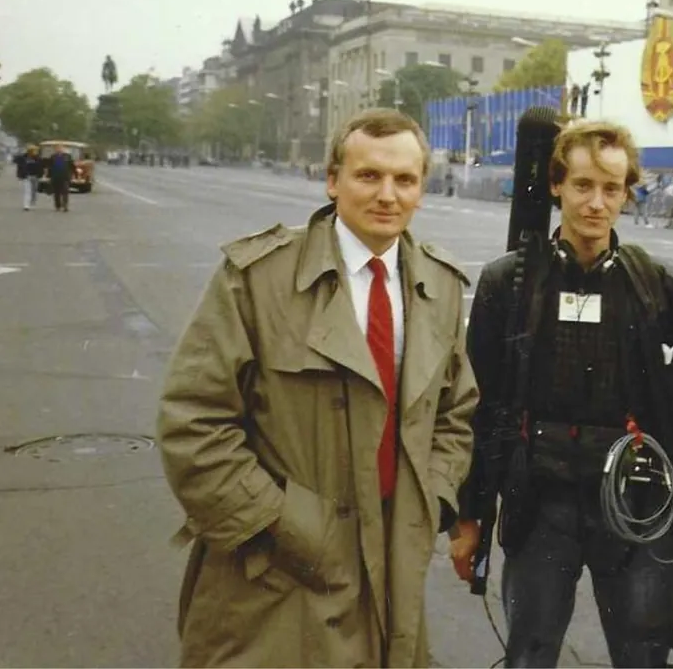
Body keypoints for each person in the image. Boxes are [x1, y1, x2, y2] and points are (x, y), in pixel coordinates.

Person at [156, 109, 478, 668]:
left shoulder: (439, 286)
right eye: (368, 175)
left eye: (404, 180)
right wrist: (286, 526)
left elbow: (455, 409)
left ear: (422, 189)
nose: (387, 195)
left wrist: (431, 498)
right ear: (332, 180)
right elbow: (193, 421)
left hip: (392, 565)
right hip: (278, 571)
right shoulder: (258, 278)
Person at [451, 119, 673, 668]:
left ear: (628, 193)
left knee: (642, 657)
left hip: (637, 507)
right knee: (529, 653)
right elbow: (476, 408)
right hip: (541, 505)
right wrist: (470, 515)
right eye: (582, 185)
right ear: (557, 185)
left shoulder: (663, 290)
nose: (596, 203)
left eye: (611, 188)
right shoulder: (507, 284)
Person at [47, 143, 73, 212]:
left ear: (63, 149)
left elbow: (71, 166)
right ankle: (58, 205)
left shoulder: (67, 156)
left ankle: (65, 205)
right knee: (57, 193)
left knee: (65, 191)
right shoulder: (53, 157)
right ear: (55, 149)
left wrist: (72, 175)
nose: (59, 149)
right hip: (55, 177)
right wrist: (49, 176)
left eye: (61, 148)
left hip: (65, 177)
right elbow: (50, 167)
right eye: (57, 148)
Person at [14, 145, 41, 210]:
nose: (35, 151)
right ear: (29, 151)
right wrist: (20, 176)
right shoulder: (23, 157)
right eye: (33, 150)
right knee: (27, 191)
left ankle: (33, 202)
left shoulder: (37, 158)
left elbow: (40, 167)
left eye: (35, 150)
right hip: (27, 177)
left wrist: (40, 175)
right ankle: (26, 205)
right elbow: (18, 164)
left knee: (34, 191)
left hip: (35, 176)